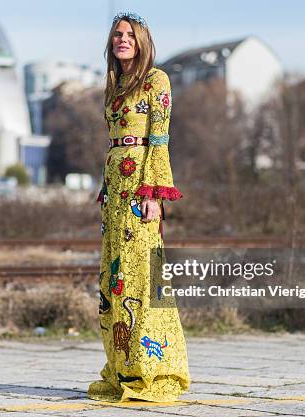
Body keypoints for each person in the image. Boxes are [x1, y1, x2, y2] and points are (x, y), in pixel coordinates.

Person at [87, 11, 191, 403]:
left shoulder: (156, 80)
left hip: (140, 188)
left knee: (143, 279)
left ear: (142, 39)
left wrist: (154, 194)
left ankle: (154, 368)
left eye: (129, 34)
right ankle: (123, 368)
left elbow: (159, 140)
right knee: (114, 281)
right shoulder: (114, 85)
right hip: (114, 189)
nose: (122, 39)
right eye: (117, 34)